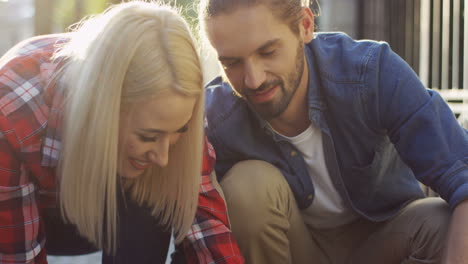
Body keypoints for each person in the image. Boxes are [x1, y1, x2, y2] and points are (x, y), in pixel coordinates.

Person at [199, 0, 468, 263]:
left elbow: (462, 176)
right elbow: (191, 228)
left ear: (305, 26)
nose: (253, 79)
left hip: (386, 241)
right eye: (232, 63)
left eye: (268, 52)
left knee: (440, 222)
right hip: (296, 249)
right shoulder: (218, 118)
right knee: (248, 188)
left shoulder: (368, 73)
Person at [0, 1, 243, 264]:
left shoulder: (174, 106)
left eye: (177, 131)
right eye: (148, 136)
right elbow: (18, 256)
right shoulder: (11, 112)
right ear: (102, 108)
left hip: (115, 207)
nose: (163, 156)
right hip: (38, 213)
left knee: (153, 175)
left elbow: (206, 232)